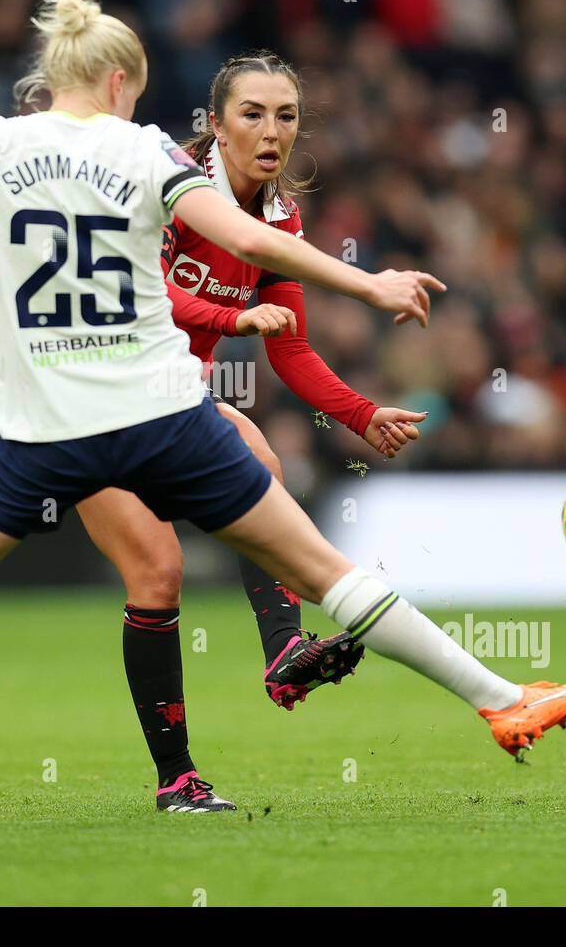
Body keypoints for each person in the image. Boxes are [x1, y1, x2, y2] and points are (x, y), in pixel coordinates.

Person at [0, 0, 566, 831]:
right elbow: (243, 233)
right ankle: (497, 699)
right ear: (121, 83)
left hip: (37, 436)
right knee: (320, 566)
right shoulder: (144, 149)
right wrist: (371, 284)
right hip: (162, 418)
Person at [77, 51, 433, 810]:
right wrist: (230, 316)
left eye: (287, 116)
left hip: (171, 402)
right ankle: (177, 780)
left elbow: (292, 348)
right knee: (158, 574)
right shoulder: (166, 185)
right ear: (214, 125)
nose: (272, 132)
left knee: (259, 461)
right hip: (93, 404)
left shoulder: (280, 220)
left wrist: (362, 415)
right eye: (252, 114)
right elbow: (139, 295)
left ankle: (285, 654)